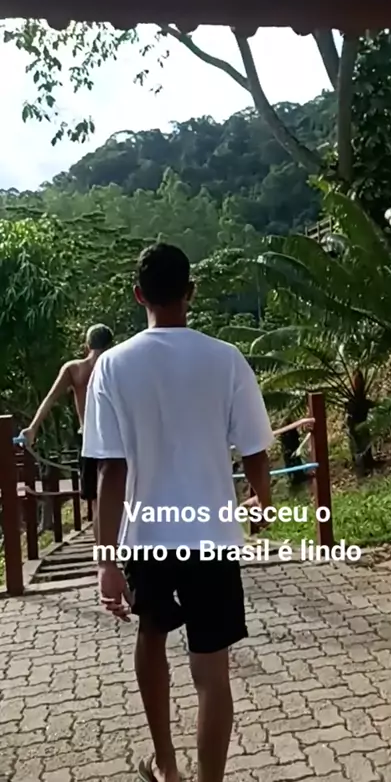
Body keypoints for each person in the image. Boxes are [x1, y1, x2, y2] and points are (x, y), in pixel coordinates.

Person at [82, 243, 273, 782]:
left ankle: (167, 765)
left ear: (138, 294)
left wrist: (106, 560)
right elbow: (255, 450)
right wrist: (262, 502)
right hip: (212, 535)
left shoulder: (112, 365)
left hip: (146, 536)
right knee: (212, 670)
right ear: (191, 292)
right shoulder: (225, 359)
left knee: (152, 636)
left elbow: (110, 471)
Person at [20, 324, 114, 542]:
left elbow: (50, 399)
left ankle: (104, 554)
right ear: (111, 345)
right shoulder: (116, 366)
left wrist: (33, 428)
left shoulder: (75, 369)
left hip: (90, 440)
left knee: (96, 501)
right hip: (115, 438)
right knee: (121, 496)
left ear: (86, 345)